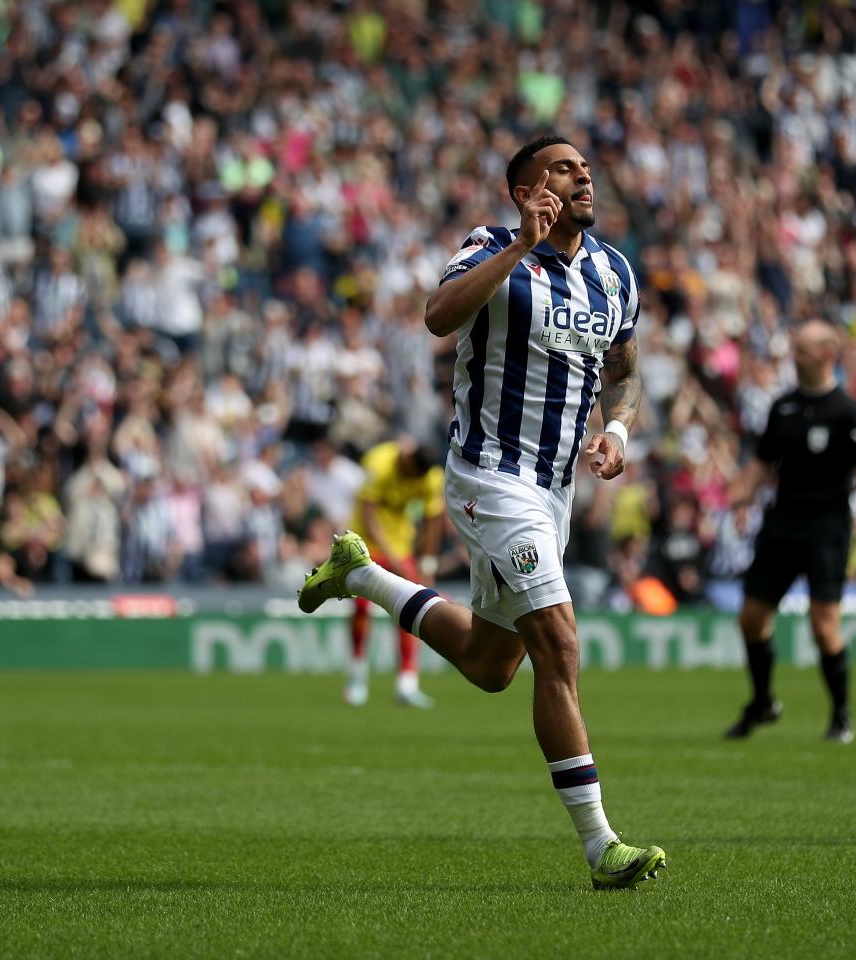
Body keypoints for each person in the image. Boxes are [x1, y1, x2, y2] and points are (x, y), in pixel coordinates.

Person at [298, 136, 666, 889]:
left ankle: (361, 577)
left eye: (585, 167)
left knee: (493, 665)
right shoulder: (490, 246)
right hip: (489, 478)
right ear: (531, 187)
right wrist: (518, 250)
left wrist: (619, 428)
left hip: (554, 490)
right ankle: (602, 847)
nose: (584, 175)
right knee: (560, 648)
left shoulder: (615, 272)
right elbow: (439, 317)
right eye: (566, 168)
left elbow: (625, 369)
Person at [723, 319, 856, 744]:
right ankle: (763, 702)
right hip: (782, 525)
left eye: (800, 350)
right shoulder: (783, 407)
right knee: (752, 618)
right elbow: (763, 465)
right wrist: (740, 498)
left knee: (824, 625)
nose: (792, 357)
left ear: (825, 355)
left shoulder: (850, 412)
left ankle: (841, 716)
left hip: (829, 529)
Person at [343, 436, 443, 709]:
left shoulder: (430, 477)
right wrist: (390, 555)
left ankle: (407, 684)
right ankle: (357, 675)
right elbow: (367, 514)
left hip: (400, 548)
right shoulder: (379, 462)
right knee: (362, 607)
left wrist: (428, 563)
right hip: (364, 545)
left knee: (412, 609)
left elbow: (435, 520)